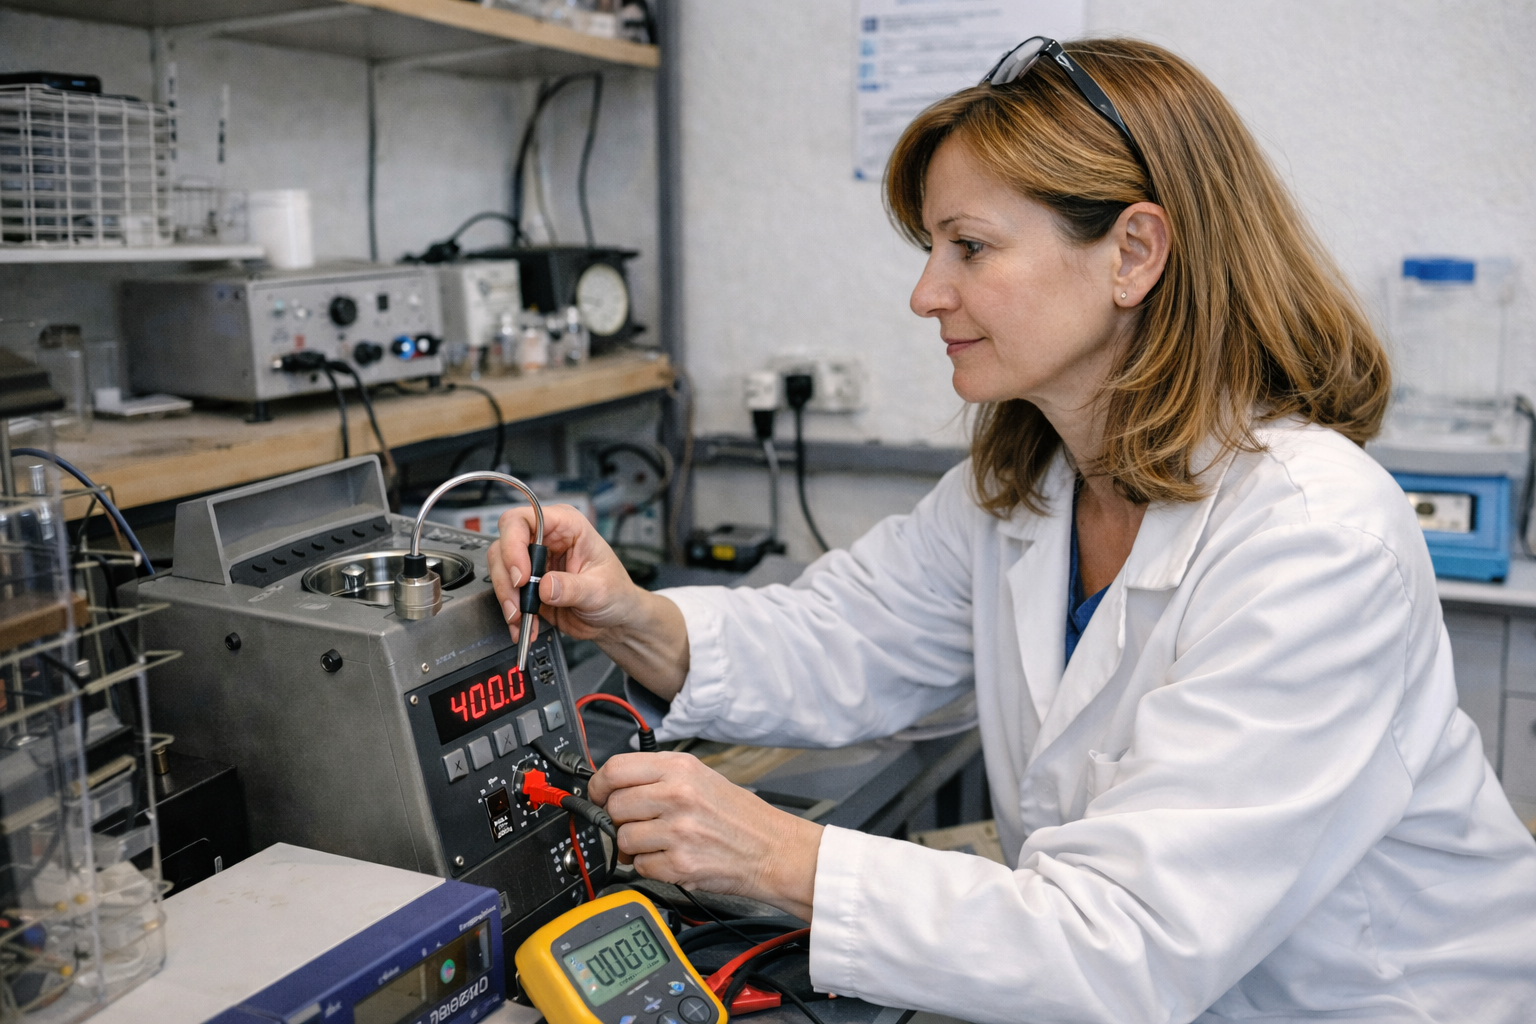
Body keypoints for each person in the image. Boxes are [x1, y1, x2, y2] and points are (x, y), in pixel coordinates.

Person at [490, 37, 1536, 1024]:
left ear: (1133, 253)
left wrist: (779, 858)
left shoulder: (1315, 538)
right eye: (932, 248)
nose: (926, 293)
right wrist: (629, 614)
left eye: (970, 247)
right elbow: (842, 638)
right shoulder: (1029, 486)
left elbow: (1131, 940)